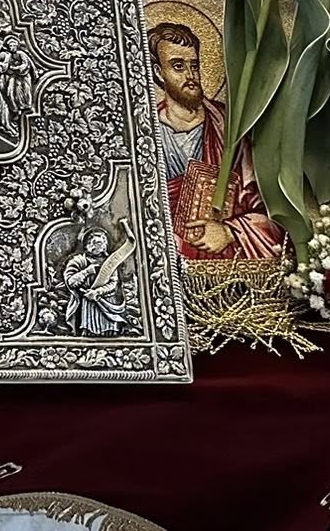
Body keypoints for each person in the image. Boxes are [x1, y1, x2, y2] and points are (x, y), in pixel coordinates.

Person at [150, 23, 282, 259]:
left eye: (194, 66)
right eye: (178, 66)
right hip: (164, 258)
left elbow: (271, 207)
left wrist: (230, 232)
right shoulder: (145, 133)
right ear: (159, 73)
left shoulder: (228, 127)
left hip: (225, 263)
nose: (190, 76)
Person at [60, 227, 129, 336]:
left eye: (101, 243)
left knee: (110, 332)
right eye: (95, 243)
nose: (98, 246)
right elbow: (70, 282)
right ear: (87, 245)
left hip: (108, 301)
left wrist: (97, 292)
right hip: (88, 303)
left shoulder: (110, 262)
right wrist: (87, 272)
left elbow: (113, 283)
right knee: (89, 332)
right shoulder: (78, 261)